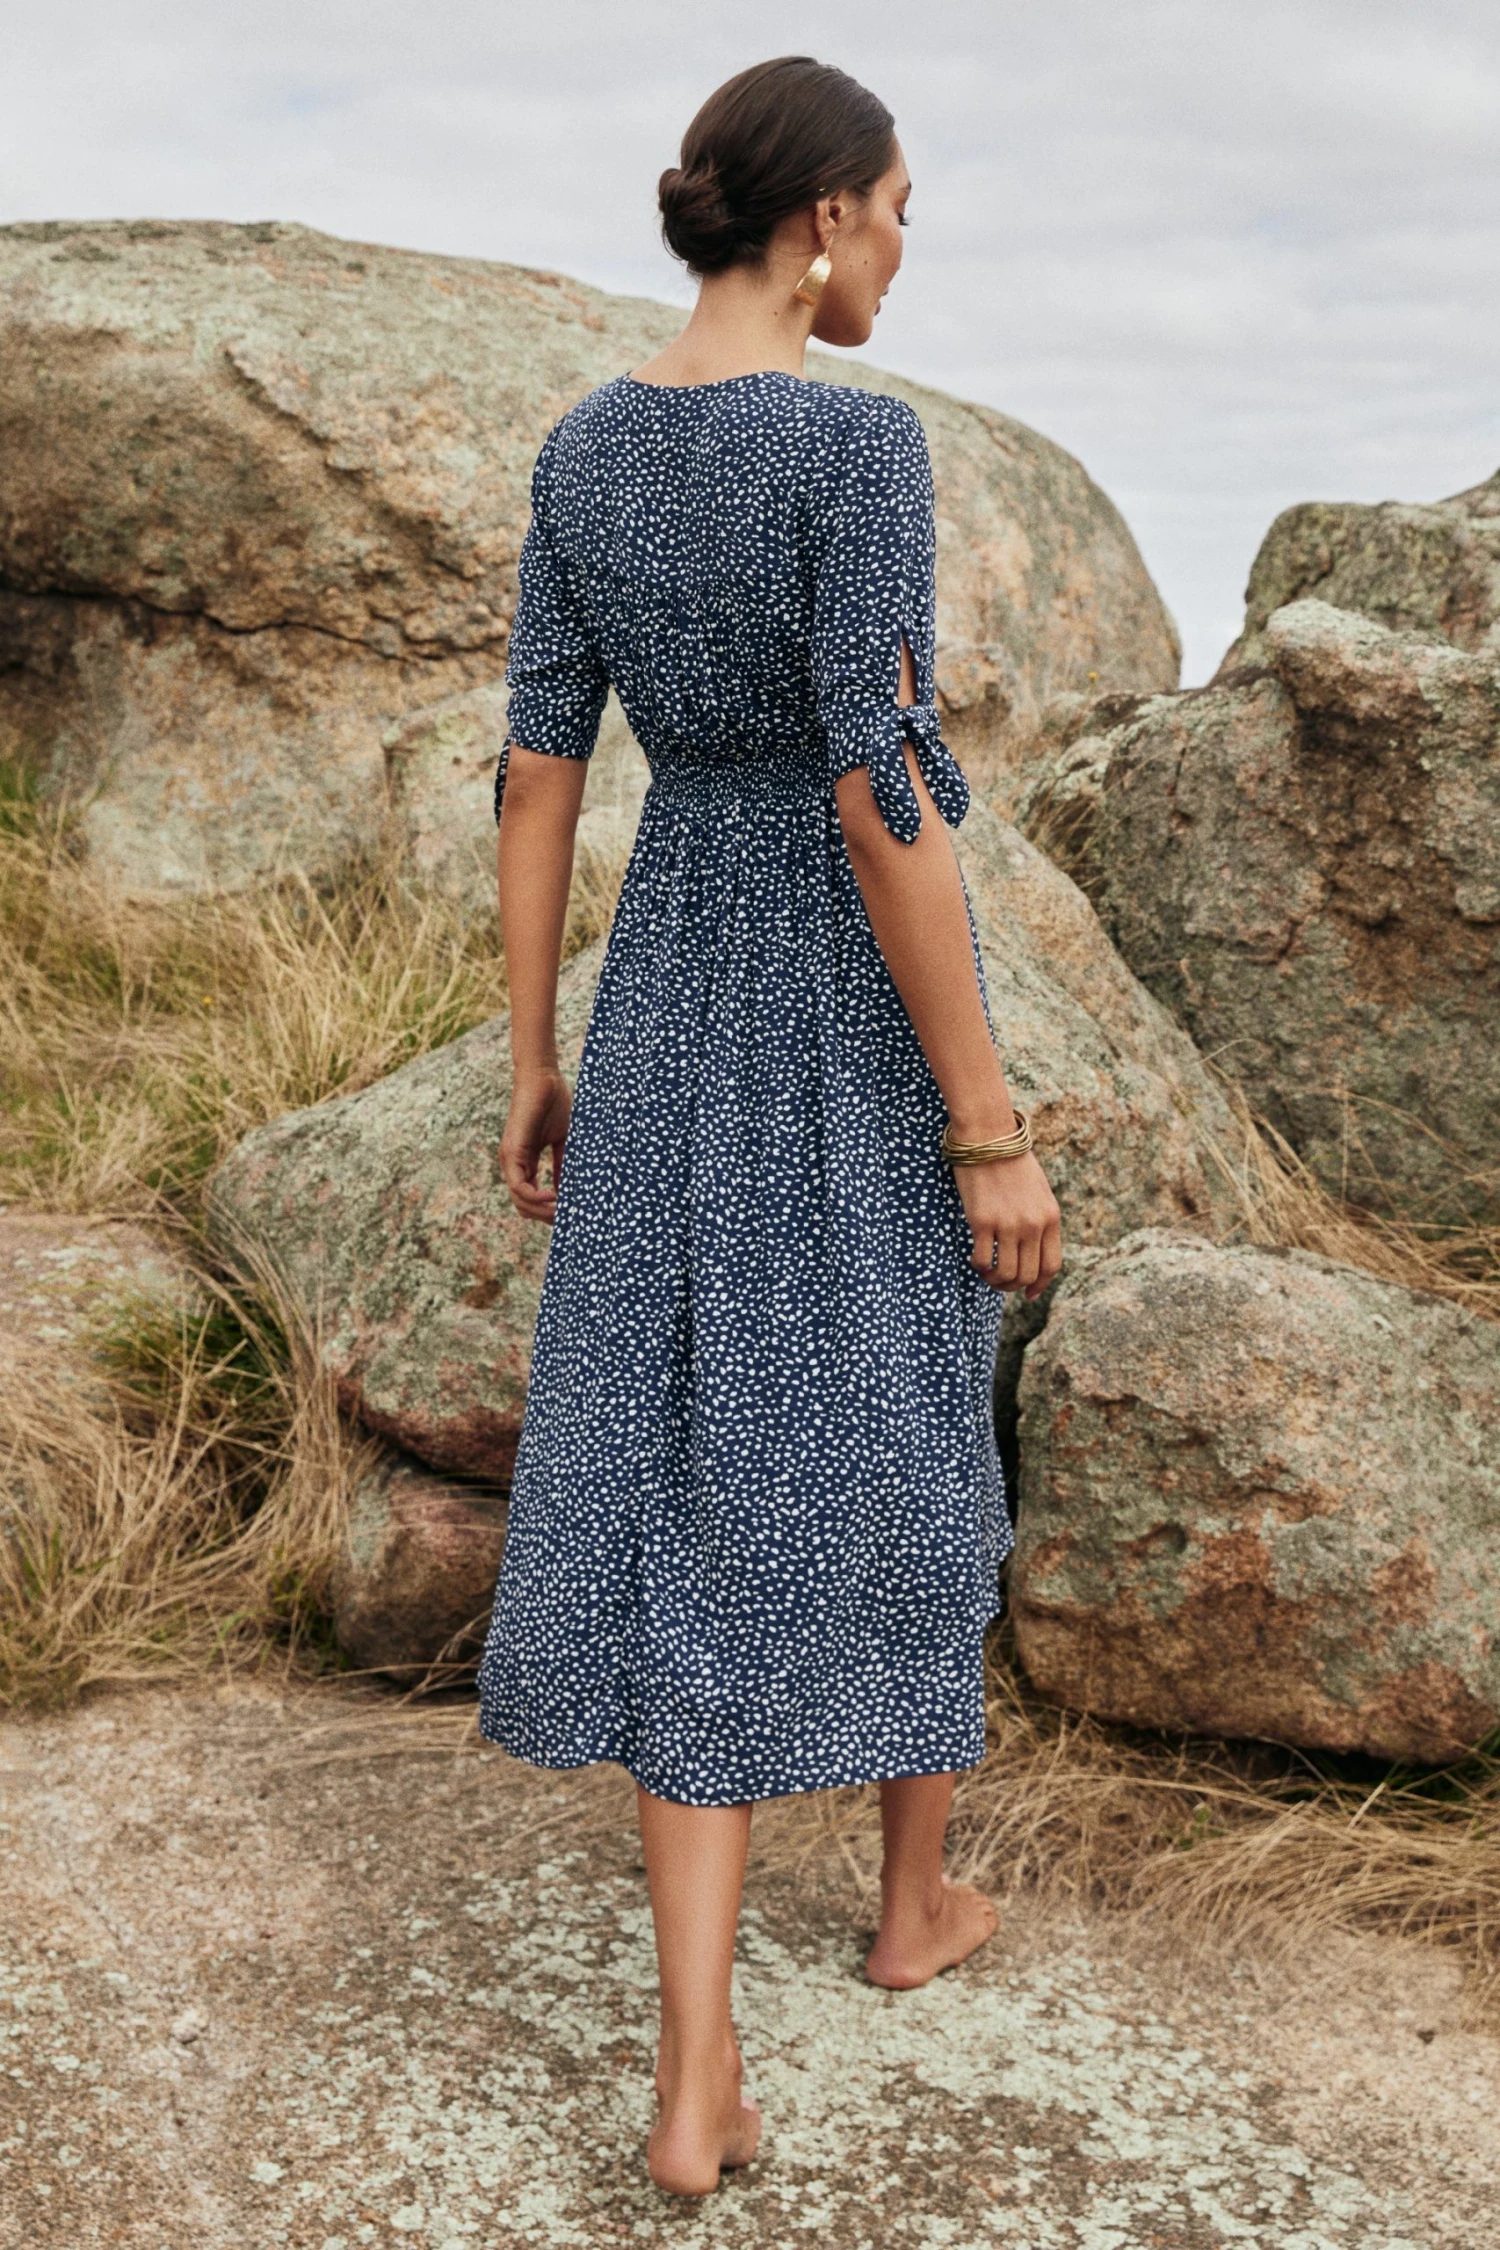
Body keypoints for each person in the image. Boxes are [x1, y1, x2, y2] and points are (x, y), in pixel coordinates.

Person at [476, 54, 1063, 2200]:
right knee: (913, 1400)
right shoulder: (855, 447)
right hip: (835, 992)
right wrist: (986, 1122)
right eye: (898, 213)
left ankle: (696, 2069)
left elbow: (539, 770)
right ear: (823, 219)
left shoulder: (586, 450)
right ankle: (909, 1908)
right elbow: (880, 794)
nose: (903, 252)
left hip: (661, 999)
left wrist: (533, 1052)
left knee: (676, 1467)